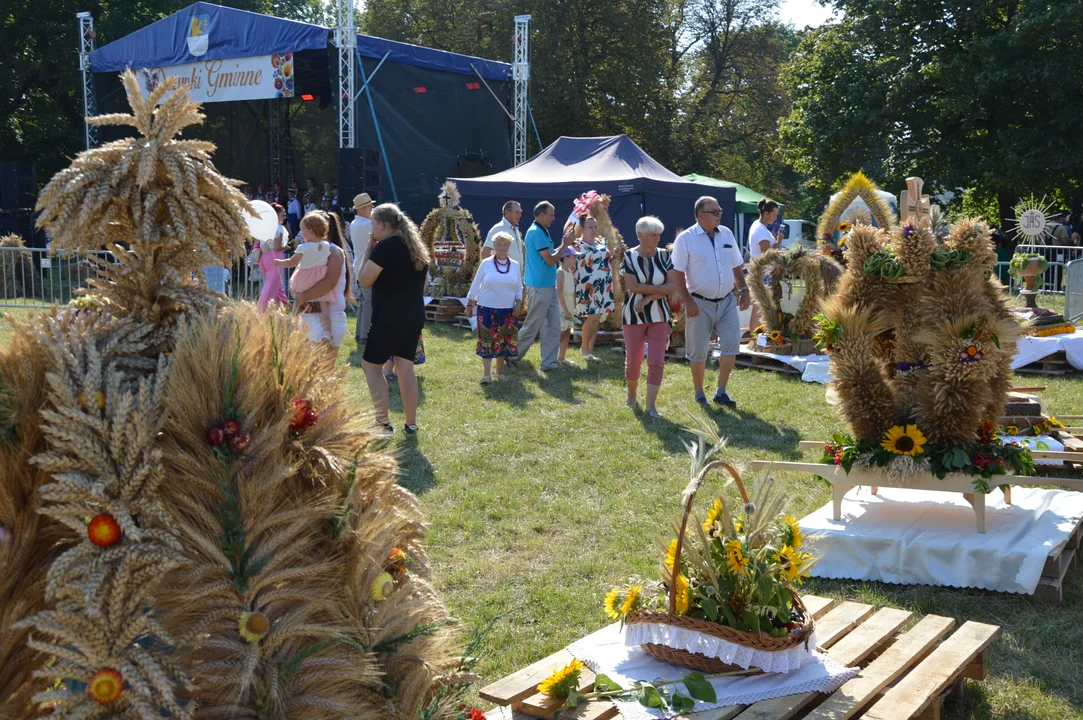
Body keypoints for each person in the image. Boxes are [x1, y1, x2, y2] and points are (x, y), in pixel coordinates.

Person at [673, 196, 751, 408]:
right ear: (700, 215)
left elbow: (736, 265)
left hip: (726, 301)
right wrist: (687, 301)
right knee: (698, 350)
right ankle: (699, 393)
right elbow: (677, 273)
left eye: (720, 211)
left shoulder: (726, 233)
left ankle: (721, 391)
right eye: (714, 212)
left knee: (731, 344)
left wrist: (744, 289)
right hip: (699, 302)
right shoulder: (686, 239)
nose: (719, 215)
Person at [359, 204, 430, 434]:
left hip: (389, 316)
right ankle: (411, 423)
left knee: (371, 366)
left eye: (372, 223)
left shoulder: (384, 248)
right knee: (405, 367)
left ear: (381, 225)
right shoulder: (416, 248)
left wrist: (370, 248)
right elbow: (425, 284)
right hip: (413, 315)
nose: (371, 228)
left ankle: (382, 424)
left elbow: (364, 280)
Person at [621, 216, 675, 417]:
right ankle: (632, 396)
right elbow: (632, 286)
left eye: (659, 234)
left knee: (656, 360)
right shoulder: (628, 256)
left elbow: (673, 287)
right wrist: (660, 290)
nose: (657, 238)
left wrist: (647, 298)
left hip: (660, 315)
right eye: (653, 235)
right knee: (634, 359)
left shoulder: (664, 255)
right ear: (640, 235)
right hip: (633, 315)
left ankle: (652, 406)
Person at [513, 201, 577, 371]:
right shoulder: (536, 232)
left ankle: (549, 364)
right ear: (541, 215)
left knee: (553, 325)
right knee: (533, 324)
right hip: (540, 286)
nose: (554, 218)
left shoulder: (541, 230)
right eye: (551, 215)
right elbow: (550, 260)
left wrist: (565, 244)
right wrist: (566, 244)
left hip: (548, 285)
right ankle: (511, 355)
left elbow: (550, 255)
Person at [466, 232, 522, 384]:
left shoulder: (515, 265)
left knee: (503, 341)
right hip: (487, 308)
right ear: (494, 246)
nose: (502, 247)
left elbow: (519, 287)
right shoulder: (486, 263)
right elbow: (476, 284)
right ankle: (486, 374)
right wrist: (470, 303)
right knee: (487, 340)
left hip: (507, 310)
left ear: (509, 246)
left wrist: (518, 303)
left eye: (505, 244)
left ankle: (499, 372)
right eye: (499, 244)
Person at [291, 212, 350, 356]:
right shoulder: (308, 251)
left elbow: (329, 283)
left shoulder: (334, 251)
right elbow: (297, 281)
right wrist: (297, 294)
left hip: (329, 315)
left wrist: (301, 297)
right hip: (308, 314)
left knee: (325, 370)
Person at [276, 213, 336, 339]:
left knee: (298, 301)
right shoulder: (325, 245)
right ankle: (327, 333)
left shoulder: (303, 247)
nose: (300, 232)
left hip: (305, 279)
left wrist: (278, 262)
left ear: (311, 231)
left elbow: (291, 263)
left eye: (302, 229)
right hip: (320, 278)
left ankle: (291, 325)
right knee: (324, 309)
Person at [574, 215, 615, 361]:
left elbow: (607, 258)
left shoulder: (601, 241)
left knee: (597, 318)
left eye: (595, 227)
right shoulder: (576, 244)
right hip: (586, 286)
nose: (594, 230)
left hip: (604, 285)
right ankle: (584, 350)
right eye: (590, 227)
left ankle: (590, 350)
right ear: (582, 228)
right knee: (591, 318)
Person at [747, 198, 783, 333]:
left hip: (760, 271)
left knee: (760, 307)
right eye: (774, 214)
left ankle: (755, 336)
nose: (776, 217)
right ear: (766, 214)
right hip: (763, 273)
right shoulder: (761, 230)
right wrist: (779, 242)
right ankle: (754, 337)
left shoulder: (758, 226)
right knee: (760, 306)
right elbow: (767, 253)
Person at [350, 193, 375, 343]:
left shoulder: (355, 223)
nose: (372, 209)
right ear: (365, 208)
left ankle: (360, 333)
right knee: (369, 302)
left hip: (359, 266)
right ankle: (365, 334)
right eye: (371, 207)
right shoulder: (367, 225)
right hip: (365, 266)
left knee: (364, 301)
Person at [256, 205, 290, 311]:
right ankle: (261, 311)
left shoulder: (264, 226)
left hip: (264, 257)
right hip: (275, 257)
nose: (285, 217)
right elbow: (277, 246)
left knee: (278, 287)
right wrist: (287, 247)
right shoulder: (278, 228)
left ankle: (286, 307)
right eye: (283, 214)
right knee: (270, 288)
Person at [482, 201, 525, 266]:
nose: (520, 215)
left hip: (516, 274)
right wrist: (494, 270)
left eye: (520, 212)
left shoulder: (515, 229)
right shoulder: (498, 229)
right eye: (517, 212)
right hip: (504, 274)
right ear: (506, 213)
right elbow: (485, 253)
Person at [556, 247, 578, 367]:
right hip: (562, 305)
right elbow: (559, 293)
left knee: (567, 331)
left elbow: (573, 292)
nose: (575, 259)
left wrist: (574, 307)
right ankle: (552, 356)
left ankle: (561, 357)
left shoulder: (570, 271)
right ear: (565, 258)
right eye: (573, 257)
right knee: (560, 331)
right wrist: (565, 311)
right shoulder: (560, 272)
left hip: (569, 304)